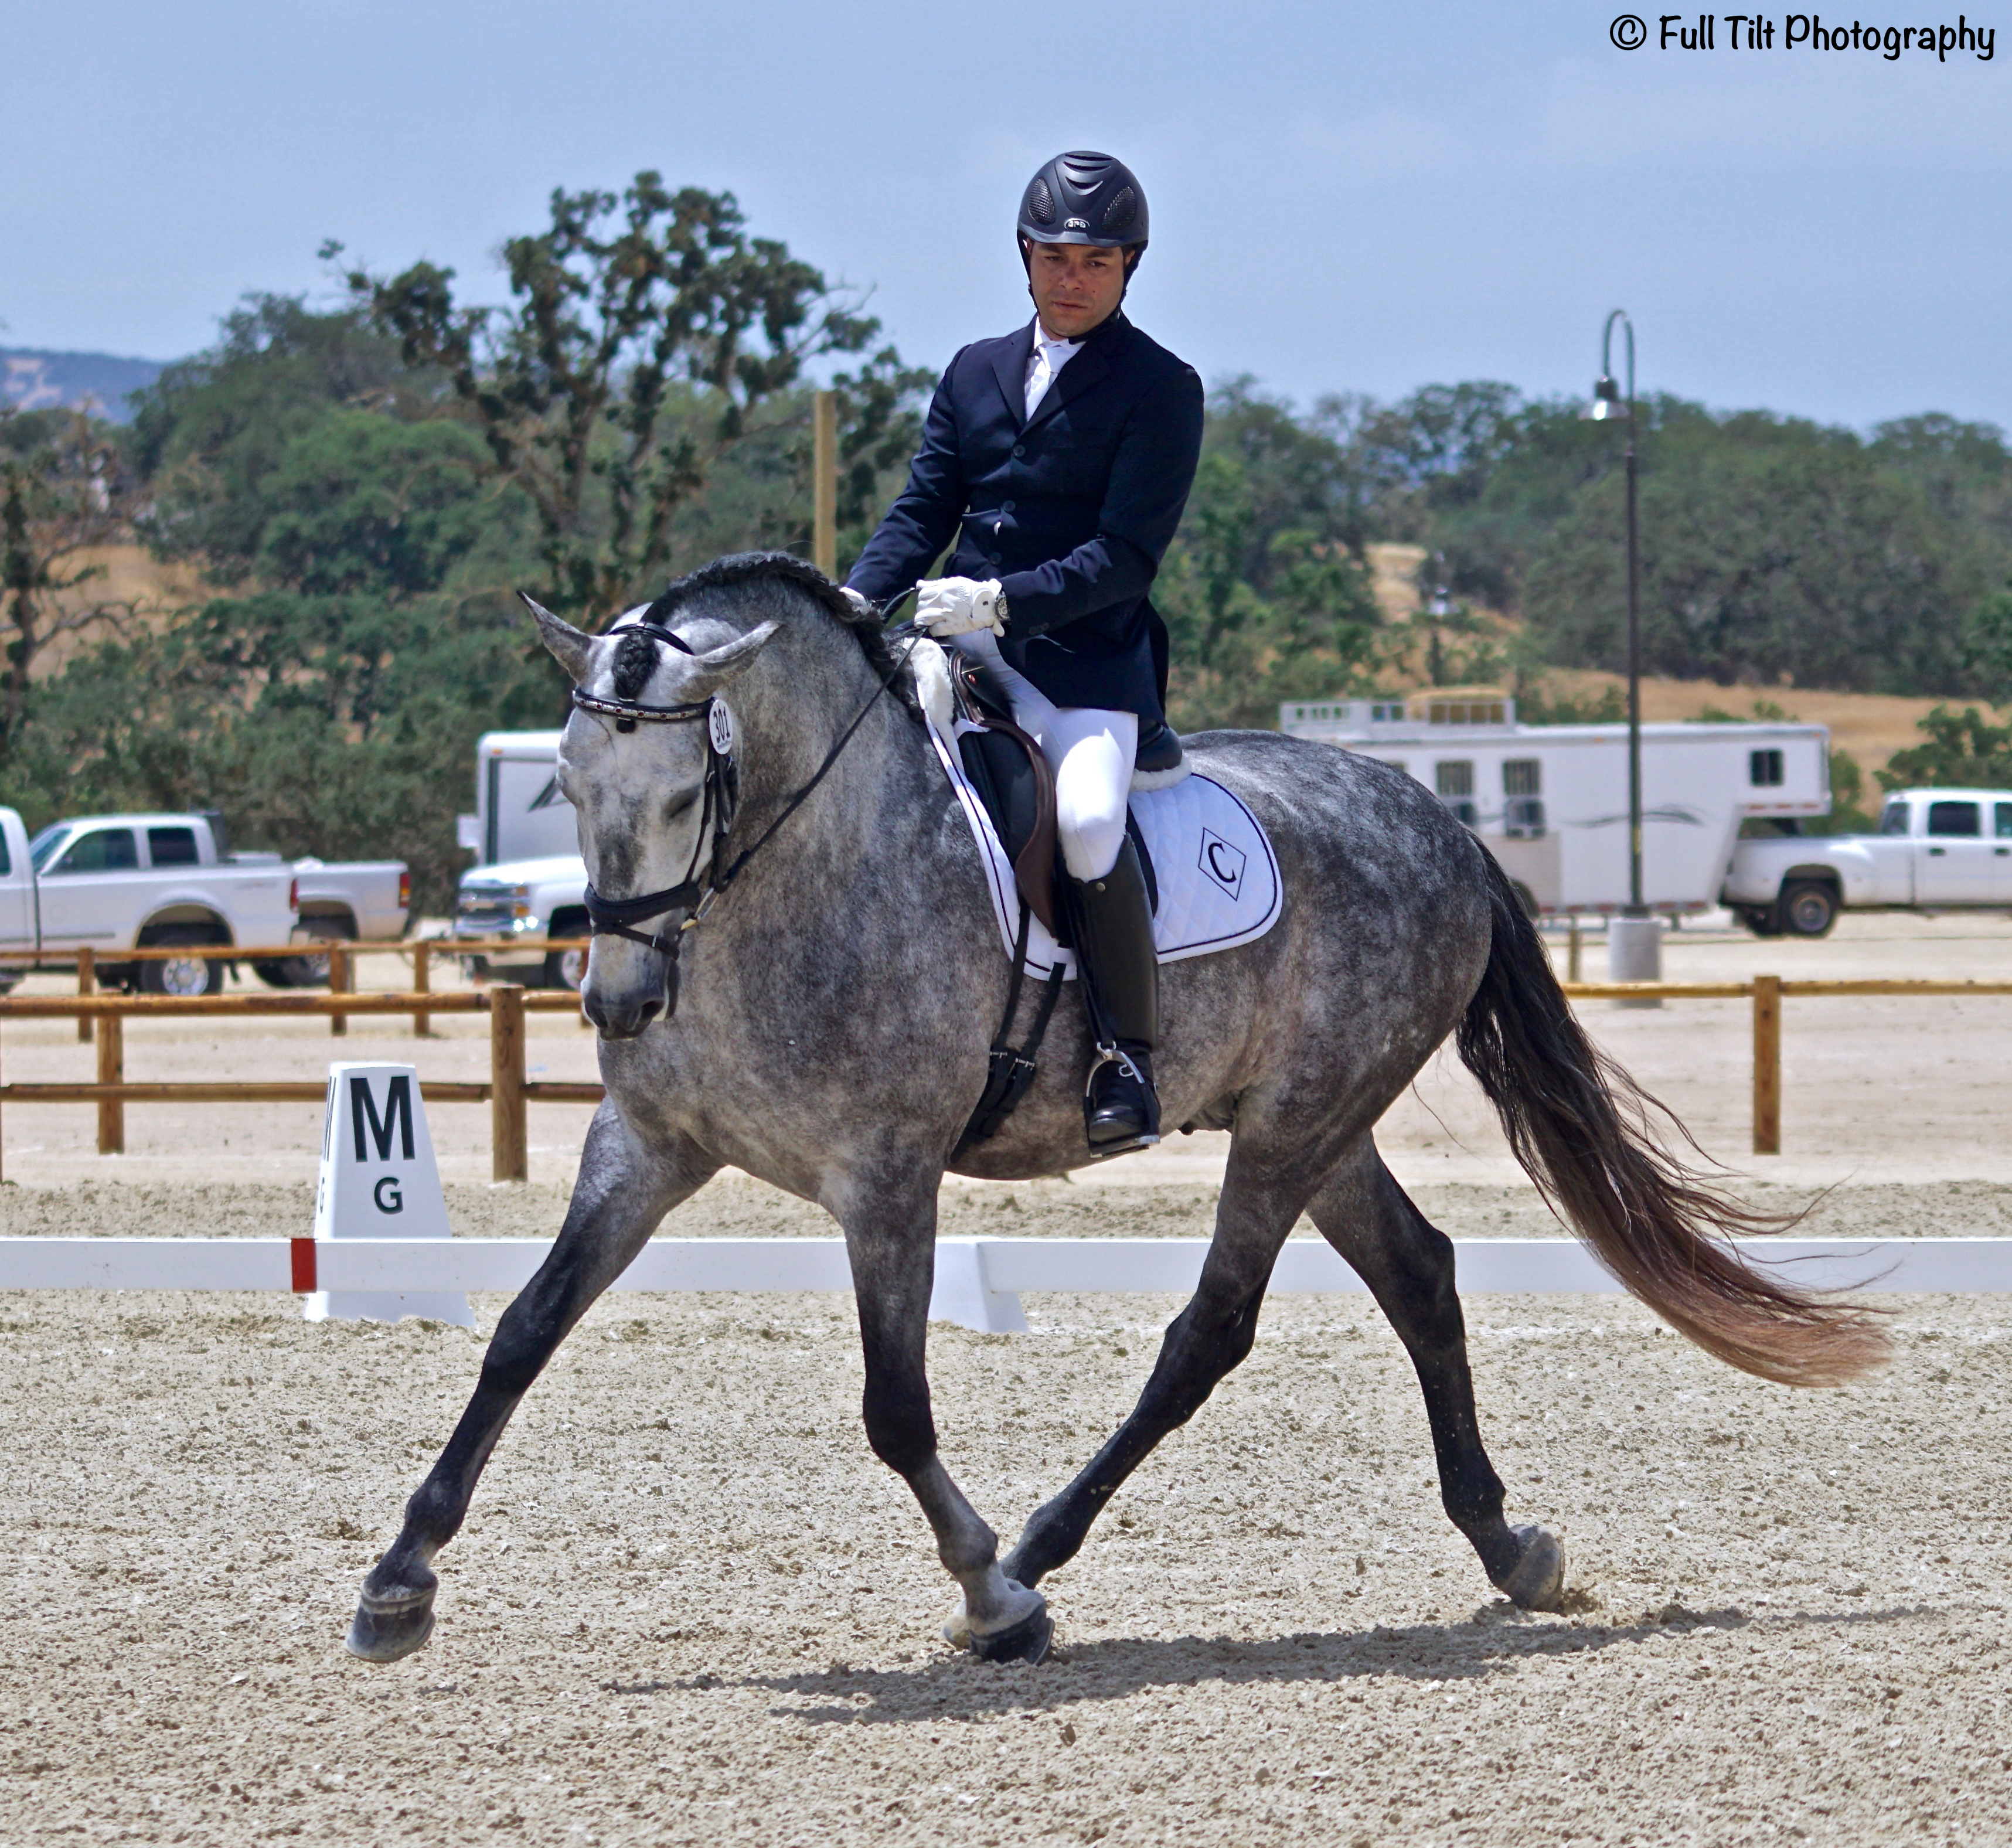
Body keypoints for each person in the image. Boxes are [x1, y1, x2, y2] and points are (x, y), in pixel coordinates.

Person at [845, 149, 1205, 1158]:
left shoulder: (1161, 387)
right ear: (1025, 255)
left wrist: (1001, 600)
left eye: (1095, 260)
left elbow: (1125, 557)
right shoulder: (973, 370)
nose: (1071, 275)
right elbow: (923, 510)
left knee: (1088, 824)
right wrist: (850, 599)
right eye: (1054, 256)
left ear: (1129, 265)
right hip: (954, 649)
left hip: (1084, 663)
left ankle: (1123, 1055)